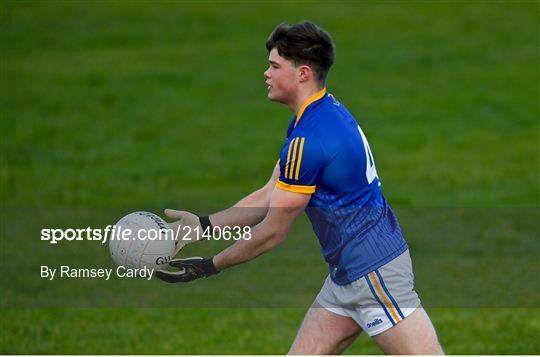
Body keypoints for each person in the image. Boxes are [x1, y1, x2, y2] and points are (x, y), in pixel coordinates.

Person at [156, 21, 444, 355]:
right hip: (345, 277)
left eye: (275, 66)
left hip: (374, 278)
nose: (266, 73)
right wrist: (203, 226)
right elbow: (269, 196)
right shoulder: (319, 113)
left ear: (303, 73)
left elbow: (271, 233)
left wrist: (211, 265)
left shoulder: (309, 141)